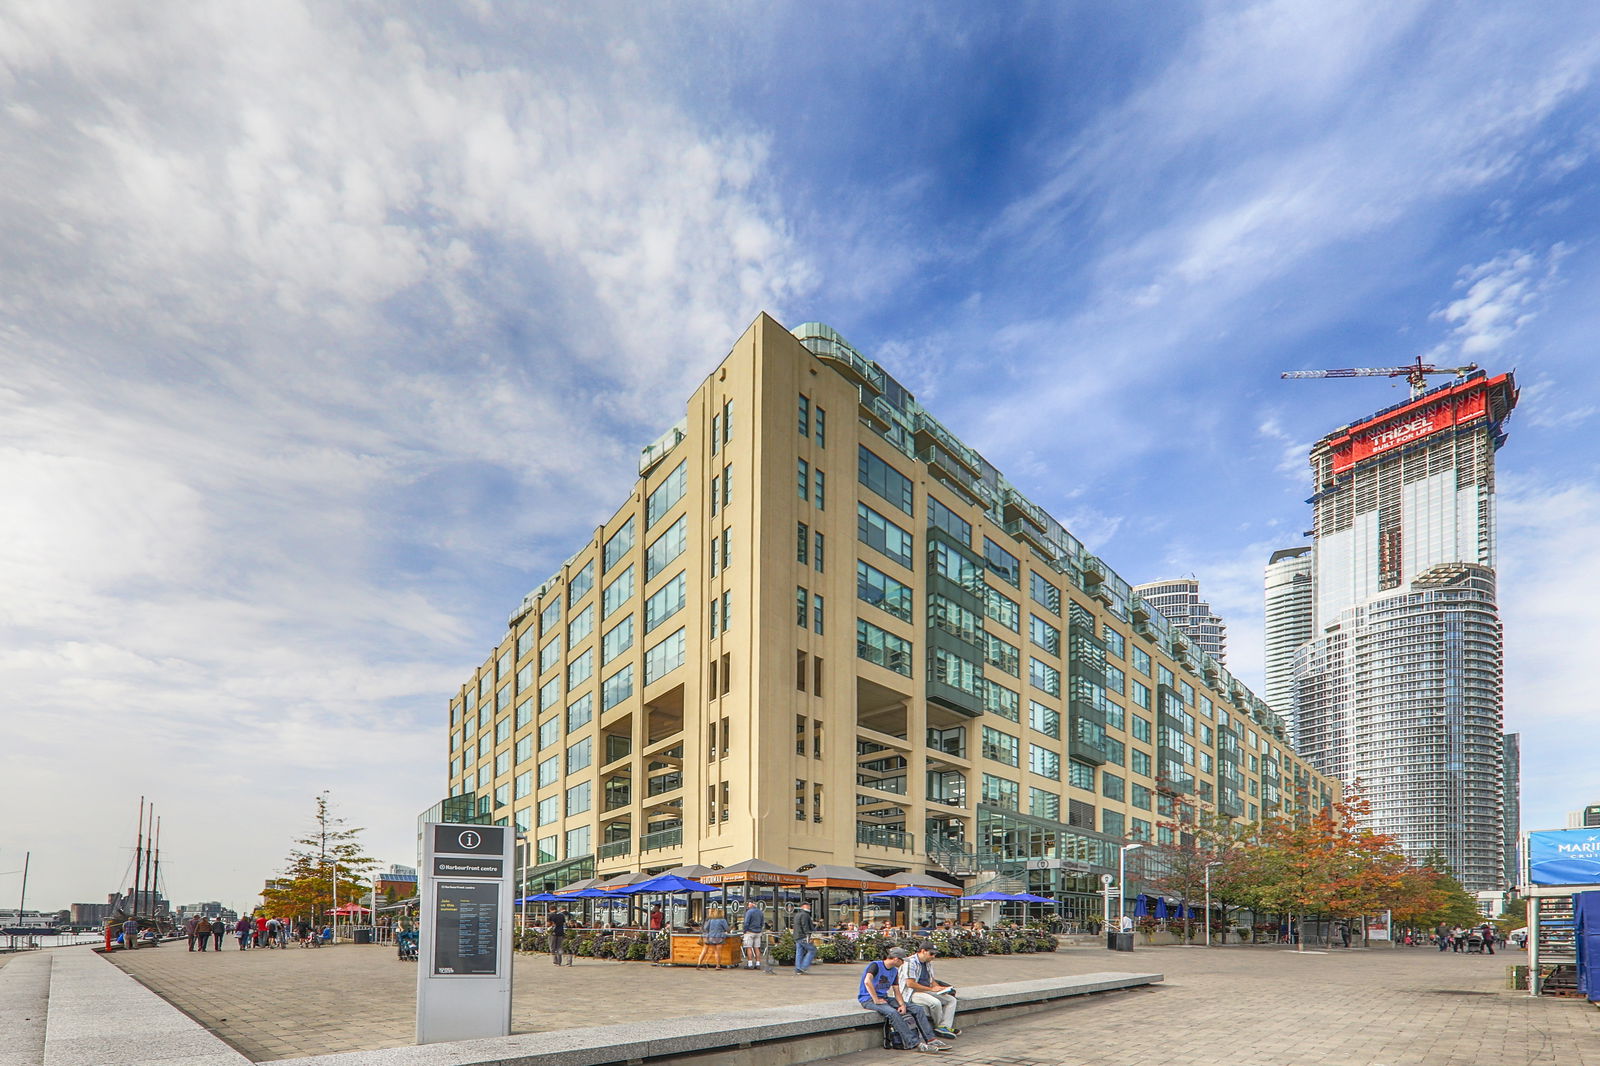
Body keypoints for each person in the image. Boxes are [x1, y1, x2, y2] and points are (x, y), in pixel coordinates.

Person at [857, 948, 947, 1053]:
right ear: (896, 959)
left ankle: (931, 1039)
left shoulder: (894, 971)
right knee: (892, 1013)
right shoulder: (875, 965)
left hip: (884, 998)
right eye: (902, 960)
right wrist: (876, 999)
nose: (904, 963)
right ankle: (914, 1043)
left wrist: (902, 1004)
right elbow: (867, 981)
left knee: (917, 1009)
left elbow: (896, 990)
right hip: (868, 999)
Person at [900, 942, 960, 1039]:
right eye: (931, 954)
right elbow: (910, 984)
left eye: (935, 954)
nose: (933, 956)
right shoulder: (910, 962)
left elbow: (931, 981)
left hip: (925, 990)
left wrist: (940, 989)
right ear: (923, 951)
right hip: (911, 993)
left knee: (951, 1000)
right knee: (935, 1003)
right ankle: (939, 1027)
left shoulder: (928, 963)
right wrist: (932, 989)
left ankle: (945, 1026)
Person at [793, 902, 817, 975]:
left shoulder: (797, 914)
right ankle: (803, 967)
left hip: (797, 936)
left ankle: (798, 968)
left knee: (799, 952)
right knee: (812, 950)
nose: (809, 907)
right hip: (802, 936)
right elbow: (805, 925)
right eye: (808, 905)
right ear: (804, 906)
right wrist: (808, 935)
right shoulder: (805, 915)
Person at [740, 901, 766, 970]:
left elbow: (746, 922)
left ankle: (750, 963)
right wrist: (760, 929)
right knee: (757, 948)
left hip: (750, 932)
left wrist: (745, 931)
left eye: (748, 905)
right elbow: (762, 922)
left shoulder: (749, 912)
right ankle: (758, 963)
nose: (747, 906)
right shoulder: (760, 912)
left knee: (749, 947)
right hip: (758, 932)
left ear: (751, 905)